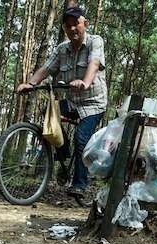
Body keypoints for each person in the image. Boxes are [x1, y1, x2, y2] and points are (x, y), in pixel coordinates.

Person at [16, 6, 107, 197]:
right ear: (64, 28)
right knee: (49, 115)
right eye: (68, 26)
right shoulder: (61, 49)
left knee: (82, 138)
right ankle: (63, 151)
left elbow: (94, 63)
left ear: (85, 24)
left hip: (94, 103)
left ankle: (80, 184)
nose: (73, 29)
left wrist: (85, 82)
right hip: (73, 102)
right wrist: (30, 83)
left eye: (76, 24)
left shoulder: (95, 42)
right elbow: (46, 69)